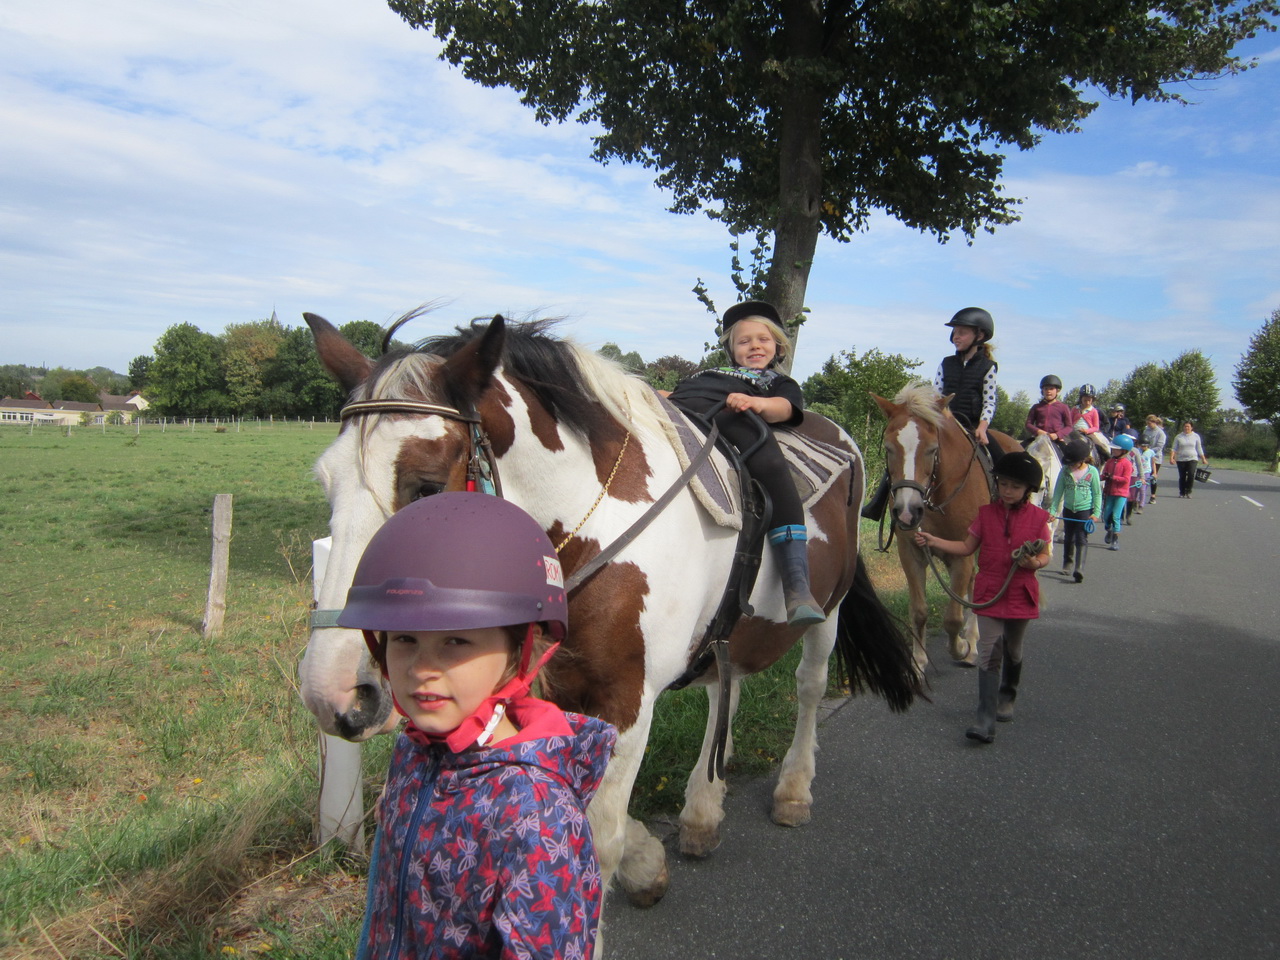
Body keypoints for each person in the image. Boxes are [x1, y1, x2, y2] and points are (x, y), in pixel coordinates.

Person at [337, 492, 617, 960]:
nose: (422, 669)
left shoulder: (538, 816)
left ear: (519, 649)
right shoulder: (416, 753)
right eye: (404, 639)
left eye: (455, 640)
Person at [669, 300, 824, 626]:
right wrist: (661, 395)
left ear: (779, 347)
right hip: (681, 411)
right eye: (744, 341)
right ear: (731, 349)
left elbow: (785, 408)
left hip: (733, 413)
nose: (754, 345)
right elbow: (680, 393)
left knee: (769, 462)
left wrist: (755, 403)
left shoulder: (777, 382)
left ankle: (796, 583)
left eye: (763, 339)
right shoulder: (707, 373)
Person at [913, 451, 1052, 743]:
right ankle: (984, 719)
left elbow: (1046, 554)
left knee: (1013, 650)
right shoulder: (986, 514)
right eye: (1003, 484)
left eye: (1015, 486)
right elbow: (966, 547)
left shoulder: (1040, 519)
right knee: (990, 652)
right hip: (989, 592)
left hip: (1020, 592)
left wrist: (1034, 563)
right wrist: (934, 540)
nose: (1007, 490)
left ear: (1028, 489)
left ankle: (1007, 695)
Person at [863, 307, 999, 523]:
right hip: (944, 422)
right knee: (904, 454)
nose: (956, 336)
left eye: (962, 332)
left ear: (979, 335)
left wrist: (982, 427)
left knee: (1000, 458)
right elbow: (936, 395)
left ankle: (1003, 505)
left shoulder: (988, 367)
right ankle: (877, 504)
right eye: (954, 332)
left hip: (973, 426)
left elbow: (990, 401)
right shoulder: (946, 363)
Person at [1049, 437, 1101, 583]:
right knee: (1068, 537)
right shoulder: (1065, 471)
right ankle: (1067, 562)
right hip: (1068, 510)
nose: (1070, 465)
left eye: (1073, 463)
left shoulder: (1092, 472)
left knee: (1081, 538)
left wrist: (1096, 513)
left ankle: (1079, 568)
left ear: (1082, 460)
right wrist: (1053, 511)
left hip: (1084, 511)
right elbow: (1058, 492)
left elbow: (1097, 493)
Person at [1099, 434, 1135, 549]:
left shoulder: (1127, 464)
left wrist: (1113, 477)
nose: (1113, 450)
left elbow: (1126, 480)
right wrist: (1098, 477)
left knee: (1116, 516)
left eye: (1116, 449)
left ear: (1124, 450)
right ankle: (1109, 530)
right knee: (1106, 515)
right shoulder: (1110, 461)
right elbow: (1104, 474)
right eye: (1113, 448)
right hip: (1109, 492)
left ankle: (1115, 539)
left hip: (1121, 494)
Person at [1024, 375, 1074, 450]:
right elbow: (1028, 424)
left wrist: (1057, 435)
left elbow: (1069, 427)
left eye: (1051, 389)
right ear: (1042, 390)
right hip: (1038, 438)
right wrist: (1038, 431)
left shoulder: (1063, 407)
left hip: (1056, 439)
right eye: (1046, 389)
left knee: (1067, 454)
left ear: (1057, 391)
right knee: (1019, 450)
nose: (1048, 391)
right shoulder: (1036, 407)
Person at [1170, 420, 1209, 498]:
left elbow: (1199, 448)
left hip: (1192, 458)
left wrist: (1203, 459)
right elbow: (1174, 448)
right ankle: (1182, 492)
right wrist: (1172, 458)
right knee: (1182, 476)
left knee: (1191, 474)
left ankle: (1188, 491)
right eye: (1185, 426)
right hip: (1181, 459)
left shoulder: (1196, 436)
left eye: (1188, 426)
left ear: (1191, 427)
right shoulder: (1178, 436)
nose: (1186, 428)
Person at [1142, 415, 1168, 500]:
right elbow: (1143, 440)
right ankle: (1142, 494)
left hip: (1156, 457)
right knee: (1144, 475)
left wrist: (1149, 451)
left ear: (1154, 422)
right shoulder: (1146, 430)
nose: (1148, 425)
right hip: (1146, 457)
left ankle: (1153, 495)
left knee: (1153, 476)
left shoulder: (1160, 433)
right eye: (1147, 423)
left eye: (1149, 423)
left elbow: (1160, 446)